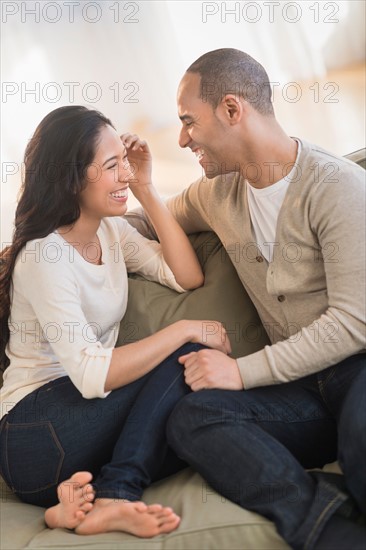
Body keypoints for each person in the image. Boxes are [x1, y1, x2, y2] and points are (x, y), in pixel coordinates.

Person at [126, 49, 366, 549]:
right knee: (195, 416)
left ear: (233, 110)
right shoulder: (215, 194)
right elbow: (148, 224)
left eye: (189, 122)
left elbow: (354, 322)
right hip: (300, 394)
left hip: (356, 369)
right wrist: (57, 234)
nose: (182, 138)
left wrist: (242, 372)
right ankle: (328, 526)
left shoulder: (337, 186)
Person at [0, 105, 231, 537]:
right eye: (112, 166)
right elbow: (92, 376)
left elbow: (186, 276)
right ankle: (117, 494)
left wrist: (146, 188)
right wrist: (184, 330)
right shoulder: (44, 256)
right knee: (189, 356)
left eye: (124, 162)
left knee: (197, 421)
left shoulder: (112, 232)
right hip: (32, 431)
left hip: (73, 441)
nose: (125, 174)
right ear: (72, 178)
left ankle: (65, 506)